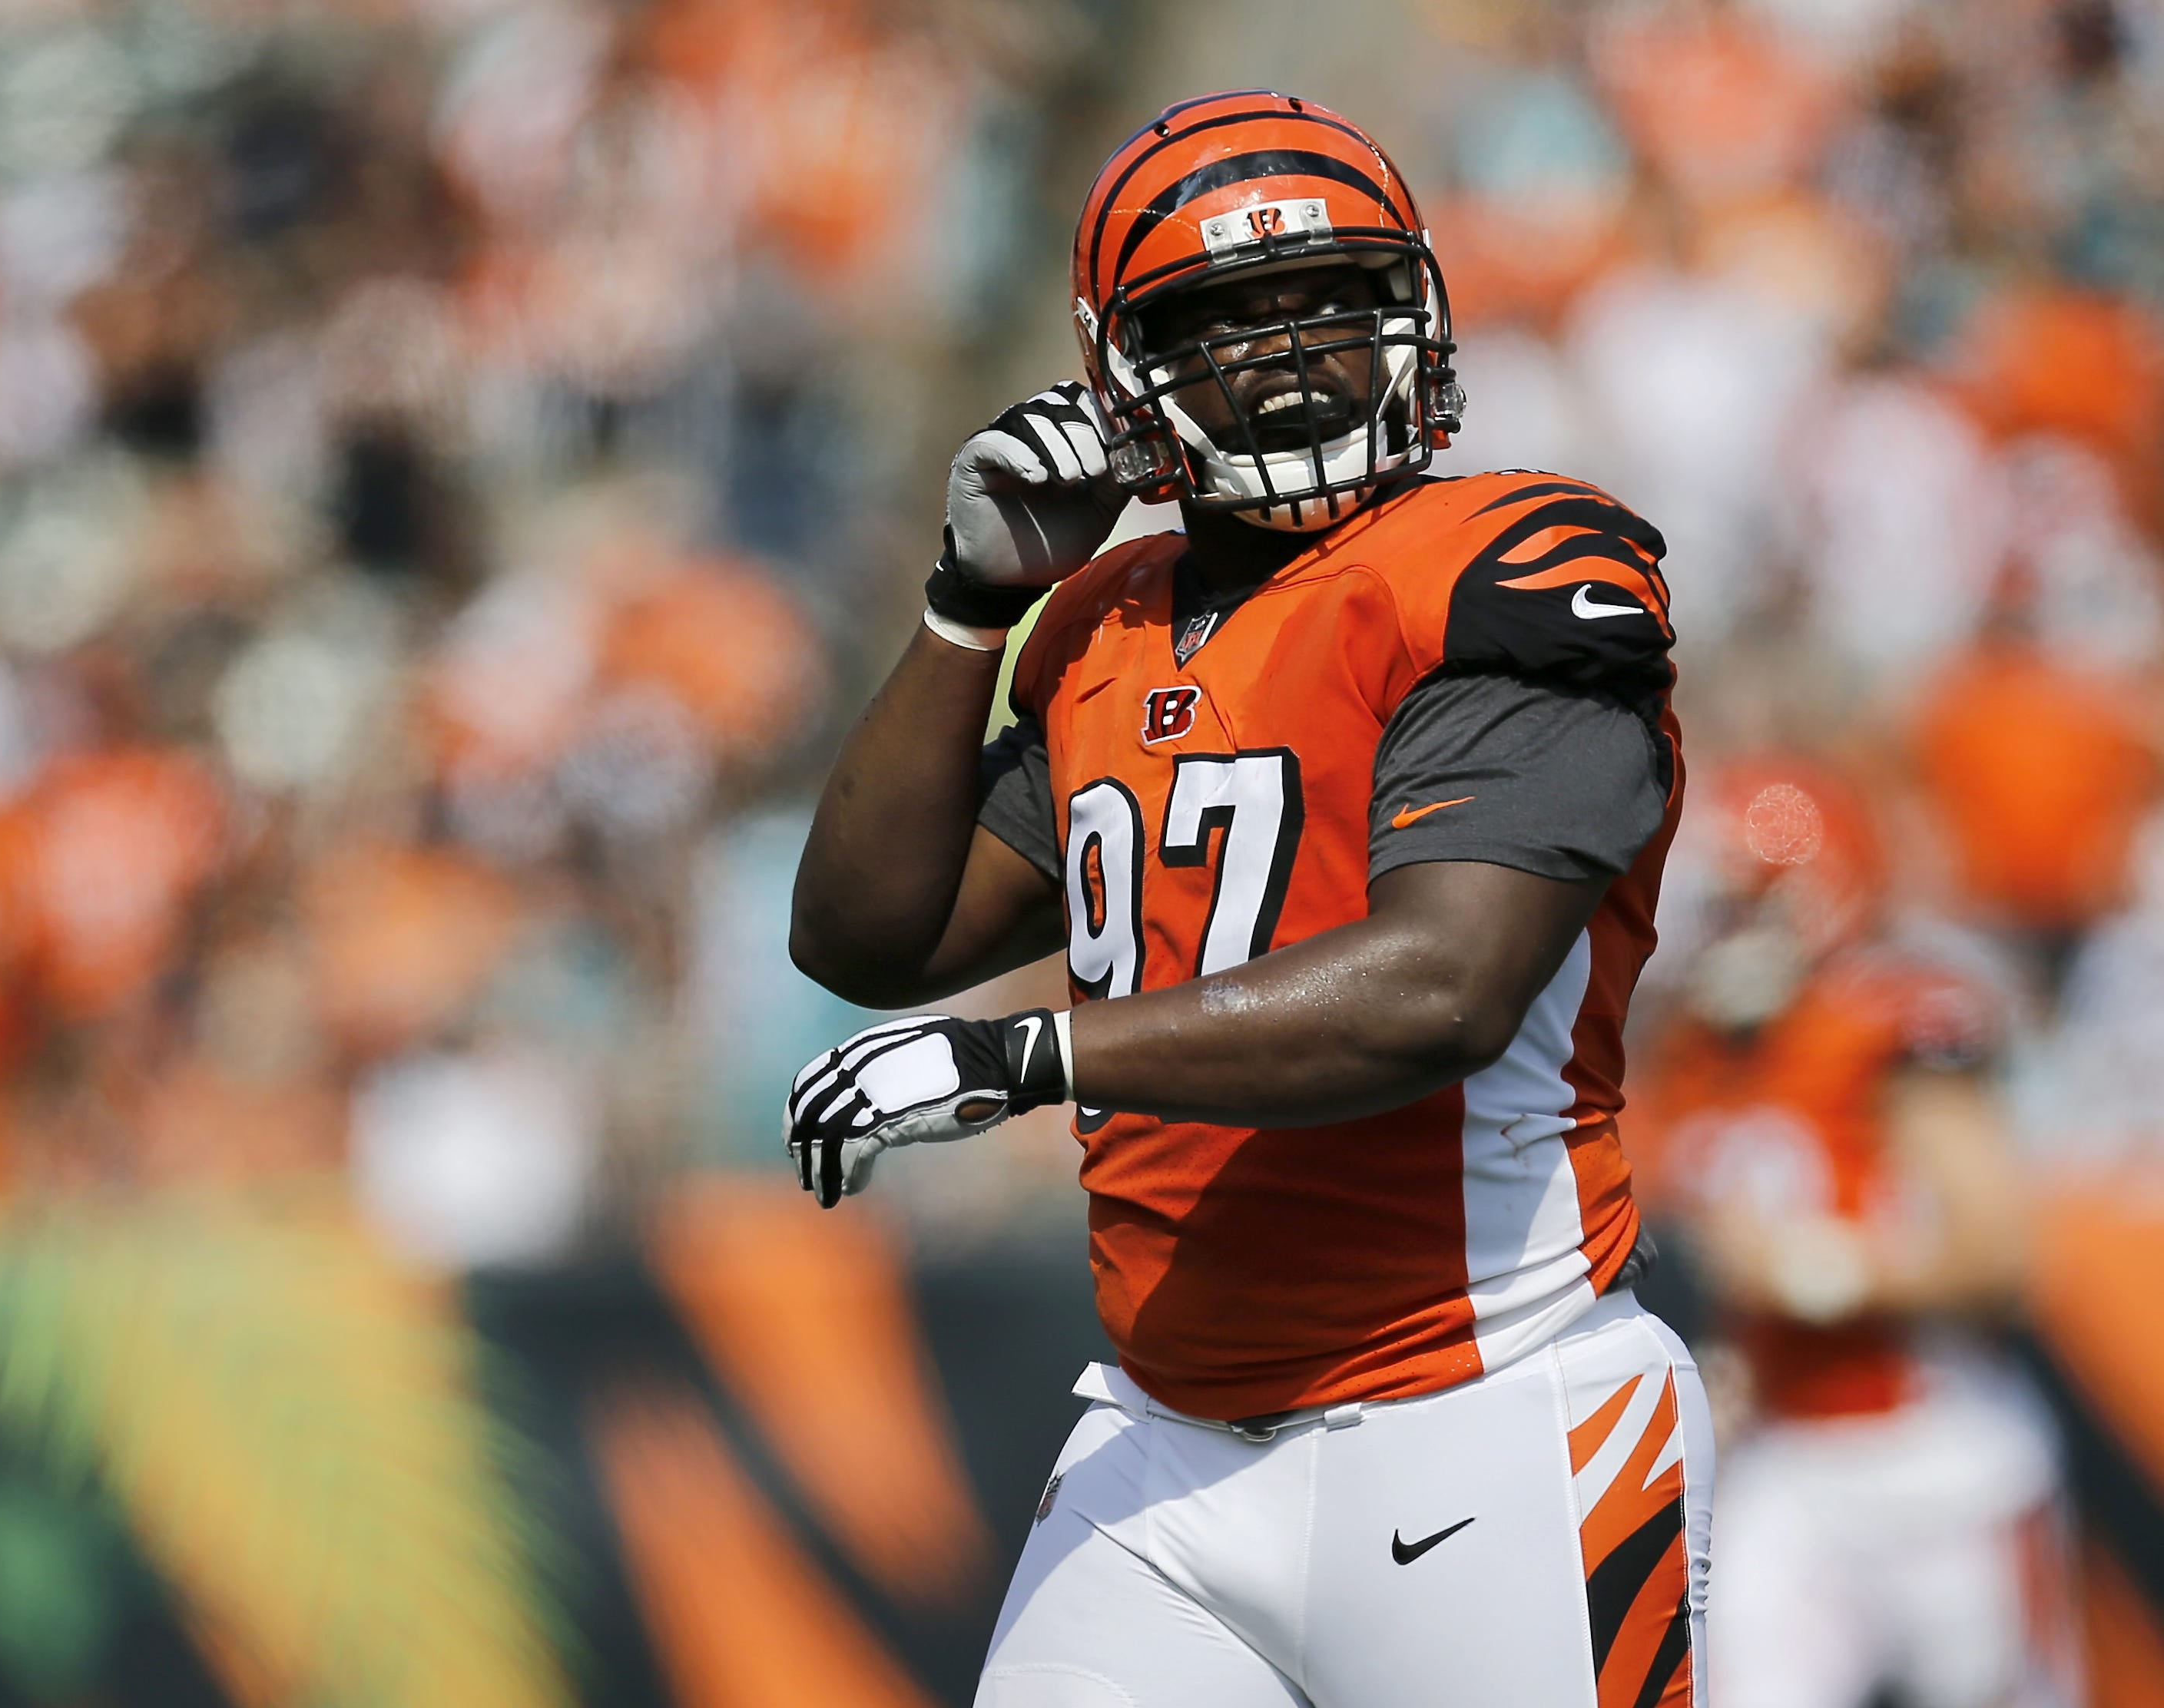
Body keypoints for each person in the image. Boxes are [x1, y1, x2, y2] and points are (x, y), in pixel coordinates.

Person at [784, 91, 1709, 1706]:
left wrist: (1027, 1056)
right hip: (1159, 1440)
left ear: (1411, 313)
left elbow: (1441, 987)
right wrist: (966, 609)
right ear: (1122, 366)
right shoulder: (1105, 622)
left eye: (1327, 300)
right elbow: (871, 934)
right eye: (1224, 317)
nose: (1286, 355)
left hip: (1482, 1405)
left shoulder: (1501, 563)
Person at [1634, 756, 2076, 1708]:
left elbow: (1997, 1253)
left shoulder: (1886, 1024)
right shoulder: (1699, 1051)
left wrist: (1815, 1273)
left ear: (1816, 892)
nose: (1718, 930)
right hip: (1790, 1460)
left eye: (1742, 902)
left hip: (1941, 1454)